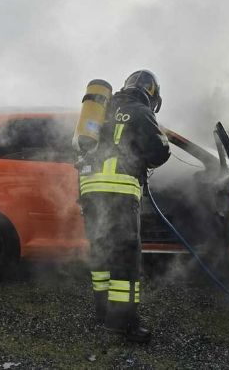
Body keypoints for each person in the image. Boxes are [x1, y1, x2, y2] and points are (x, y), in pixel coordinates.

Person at [78, 69, 171, 343]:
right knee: (125, 260)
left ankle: (103, 313)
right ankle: (123, 324)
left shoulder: (102, 109)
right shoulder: (140, 112)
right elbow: (159, 151)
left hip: (90, 191)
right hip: (118, 191)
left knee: (101, 252)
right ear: (151, 93)